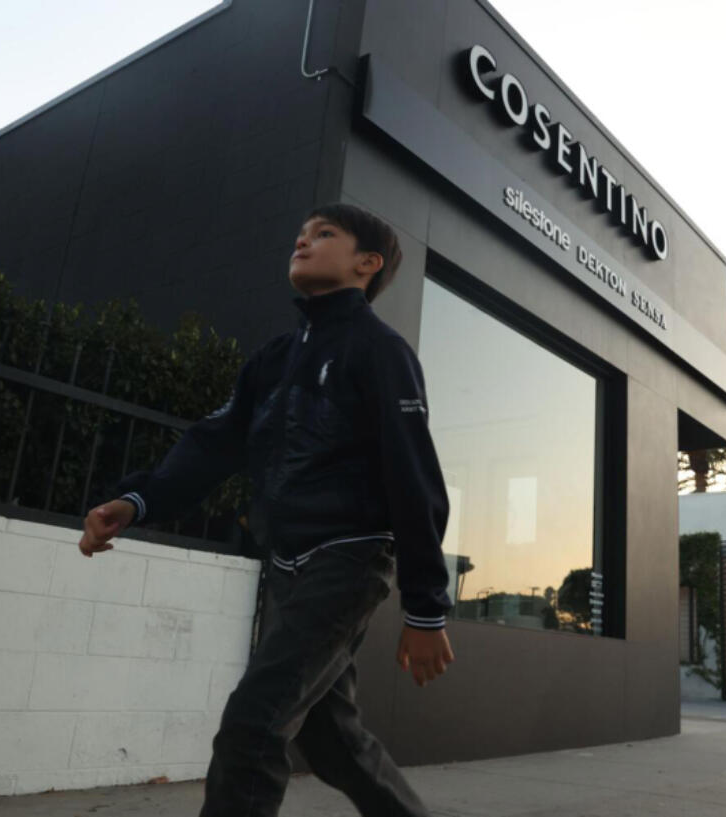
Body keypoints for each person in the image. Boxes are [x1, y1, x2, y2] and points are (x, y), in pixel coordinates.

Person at [77, 203, 455, 817]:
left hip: (348, 560)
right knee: (330, 739)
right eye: (300, 235)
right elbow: (214, 442)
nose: (302, 242)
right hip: (288, 568)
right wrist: (137, 499)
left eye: (323, 234)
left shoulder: (380, 350)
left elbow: (413, 474)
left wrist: (426, 608)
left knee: (253, 724)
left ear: (367, 263)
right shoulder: (274, 359)